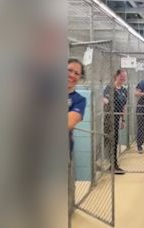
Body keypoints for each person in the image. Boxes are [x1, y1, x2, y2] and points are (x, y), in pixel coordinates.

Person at [67, 58, 87, 222]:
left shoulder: (79, 100)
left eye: (76, 73)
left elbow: (69, 122)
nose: (72, 75)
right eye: (69, 70)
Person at [103, 69, 128, 175]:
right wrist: (105, 101)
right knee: (109, 140)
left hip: (117, 118)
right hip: (109, 118)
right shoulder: (110, 87)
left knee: (114, 140)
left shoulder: (124, 90)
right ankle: (113, 165)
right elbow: (105, 99)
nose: (123, 78)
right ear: (116, 76)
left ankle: (112, 163)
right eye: (122, 76)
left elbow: (123, 107)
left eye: (125, 77)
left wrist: (123, 120)